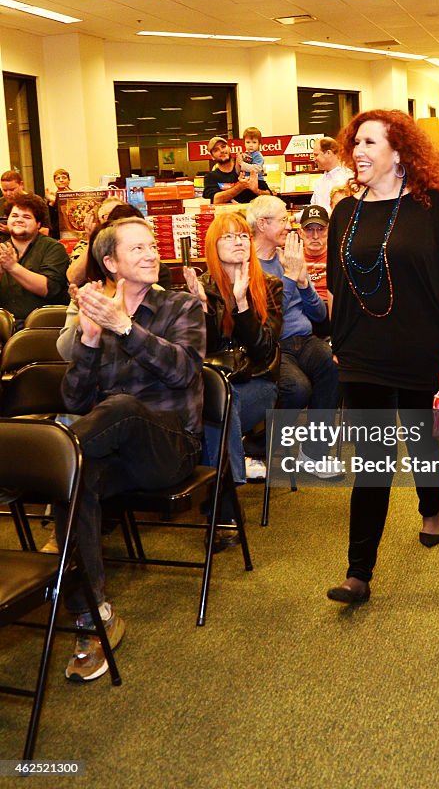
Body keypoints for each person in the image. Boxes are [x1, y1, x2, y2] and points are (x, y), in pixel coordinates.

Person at [326, 109, 439, 604]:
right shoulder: (345, 213)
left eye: (370, 143)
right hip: (361, 353)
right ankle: (358, 573)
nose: (359, 152)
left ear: (399, 153)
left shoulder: (431, 206)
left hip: (420, 346)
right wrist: (338, 341)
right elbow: (337, 283)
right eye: (356, 143)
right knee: (372, 459)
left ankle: (430, 507)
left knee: (420, 438)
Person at [56, 217, 205, 681]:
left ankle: (35, 467)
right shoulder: (96, 314)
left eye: (151, 245)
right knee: (73, 482)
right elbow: (74, 401)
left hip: (172, 448)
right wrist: (89, 340)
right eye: (137, 248)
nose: (151, 253)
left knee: (116, 411)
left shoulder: (181, 307)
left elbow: (184, 373)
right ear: (110, 262)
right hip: (113, 452)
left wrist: (125, 328)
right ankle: (92, 618)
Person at [183, 210, 282, 548]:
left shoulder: (269, 287)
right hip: (215, 388)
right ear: (213, 245)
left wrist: (241, 304)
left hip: (256, 384)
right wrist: (203, 309)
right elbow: (201, 352)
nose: (238, 241)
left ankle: (222, 506)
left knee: (226, 402)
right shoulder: (202, 288)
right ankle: (225, 503)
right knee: (220, 400)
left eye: (242, 235)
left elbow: (264, 351)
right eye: (228, 236)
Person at [248, 195, 339, 467]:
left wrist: (303, 283)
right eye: (282, 220)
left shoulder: (289, 257)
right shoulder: (249, 265)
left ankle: (313, 452)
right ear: (263, 224)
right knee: (298, 389)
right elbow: (268, 315)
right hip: (274, 346)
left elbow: (320, 314)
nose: (288, 226)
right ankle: (258, 444)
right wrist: (290, 277)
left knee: (334, 367)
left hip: (305, 339)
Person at [0, 192, 69, 327]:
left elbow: (48, 289)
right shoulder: (2, 248)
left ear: (38, 224)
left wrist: (12, 267)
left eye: (26, 217)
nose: (19, 220)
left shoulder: (54, 248)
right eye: (14, 216)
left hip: (40, 328)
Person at [202, 136, 270, 205]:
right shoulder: (210, 177)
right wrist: (241, 186)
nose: (222, 151)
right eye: (216, 150)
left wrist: (256, 190)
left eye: (223, 147)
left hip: (254, 213)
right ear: (212, 156)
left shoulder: (247, 166)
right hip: (227, 215)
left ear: (229, 148)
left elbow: (269, 195)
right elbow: (215, 199)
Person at [310, 137, 354, 213]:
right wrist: (294, 218)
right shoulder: (319, 182)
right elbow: (313, 210)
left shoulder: (349, 179)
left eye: (316, 155)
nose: (314, 159)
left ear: (328, 153)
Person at [298, 204, 329, 302]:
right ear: (300, 232)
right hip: (301, 310)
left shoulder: (339, 259)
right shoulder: (291, 258)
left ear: (329, 231)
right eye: (309, 229)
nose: (315, 236)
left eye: (320, 229)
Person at [45, 167, 72, 237]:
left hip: (71, 230)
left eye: (64, 178)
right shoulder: (52, 196)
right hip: (57, 232)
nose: (61, 180)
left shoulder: (74, 195)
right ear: (55, 181)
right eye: (58, 178)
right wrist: (51, 202)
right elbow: (50, 218)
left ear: (69, 180)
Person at [0, 169, 25, 233]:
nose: (8, 194)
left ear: (21, 185)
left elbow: (44, 231)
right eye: (5, 190)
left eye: (12, 190)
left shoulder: (35, 202)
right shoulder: (1, 202)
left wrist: (12, 230)